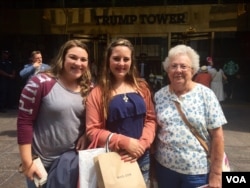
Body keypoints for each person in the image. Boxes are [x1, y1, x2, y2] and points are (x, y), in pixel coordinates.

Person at [17, 39, 92, 188]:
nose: (78, 63)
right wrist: (27, 162)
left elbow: (93, 120)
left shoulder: (89, 87)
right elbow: (24, 121)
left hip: (72, 164)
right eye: (73, 57)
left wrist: (86, 134)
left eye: (83, 59)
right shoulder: (40, 82)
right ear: (62, 58)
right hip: (42, 165)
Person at [85, 38, 157, 185]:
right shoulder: (98, 93)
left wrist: (142, 145)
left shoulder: (142, 87)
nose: (121, 64)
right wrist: (125, 142)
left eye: (126, 59)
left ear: (131, 62)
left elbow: (150, 119)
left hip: (142, 157)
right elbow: (92, 131)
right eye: (116, 59)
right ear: (108, 61)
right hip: (113, 159)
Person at [154, 44, 227, 188]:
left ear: (193, 70)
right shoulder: (159, 95)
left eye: (183, 66)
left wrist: (216, 174)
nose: (178, 70)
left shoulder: (206, 95)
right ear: (167, 70)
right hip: (165, 169)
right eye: (173, 66)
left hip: (197, 173)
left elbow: (218, 136)